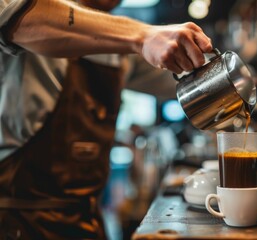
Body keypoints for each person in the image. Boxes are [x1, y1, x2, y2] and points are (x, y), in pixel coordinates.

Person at [0, 0, 212, 239]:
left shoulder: (119, 48)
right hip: (17, 223)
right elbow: (18, 17)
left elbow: (183, 79)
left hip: (84, 219)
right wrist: (142, 35)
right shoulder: (37, 14)